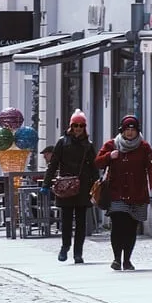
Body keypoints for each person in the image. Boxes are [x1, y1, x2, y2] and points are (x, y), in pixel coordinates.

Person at [94, 115, 152, 271]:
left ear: (137, 131)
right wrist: (109, 156)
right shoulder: (112, 145)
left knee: (131, 227)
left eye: (133, 129)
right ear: (121, 131)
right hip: (117, 192)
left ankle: (127, 260)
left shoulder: (144, 147)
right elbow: (97, 162)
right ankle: (117, 258)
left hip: (137, 193)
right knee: (118, 225)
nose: (130, 133)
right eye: (127, 129)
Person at [41, 109, 99, 264]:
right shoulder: (62, 142)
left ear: (84, 127)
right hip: (65, 186)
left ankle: (78, 253)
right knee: (66, 220)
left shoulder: (88, 145)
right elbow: (53, 164)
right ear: (71, 126)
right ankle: (65, 246)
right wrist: (46, 184)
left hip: (83, 187)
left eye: (81, 125)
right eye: (75, 125)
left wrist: (97, 186)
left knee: (81, 222)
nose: (78, 129)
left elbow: (94, 167)